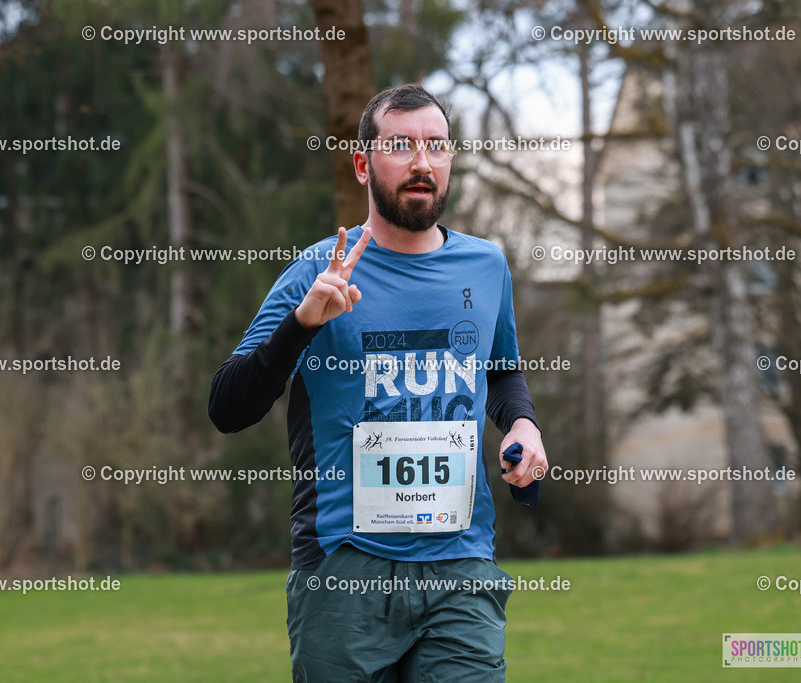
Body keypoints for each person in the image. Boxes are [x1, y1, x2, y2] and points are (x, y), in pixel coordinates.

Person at [209, 83, 549, 680]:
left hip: (461, 565)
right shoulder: (317, 273)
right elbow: (227, 406)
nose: (422, 162)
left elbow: (500, 370)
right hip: (344, 569)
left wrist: (523, 423)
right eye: (400, 145)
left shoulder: (486, 266)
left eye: (436, 146)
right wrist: (302, 325)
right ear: (363, 165)